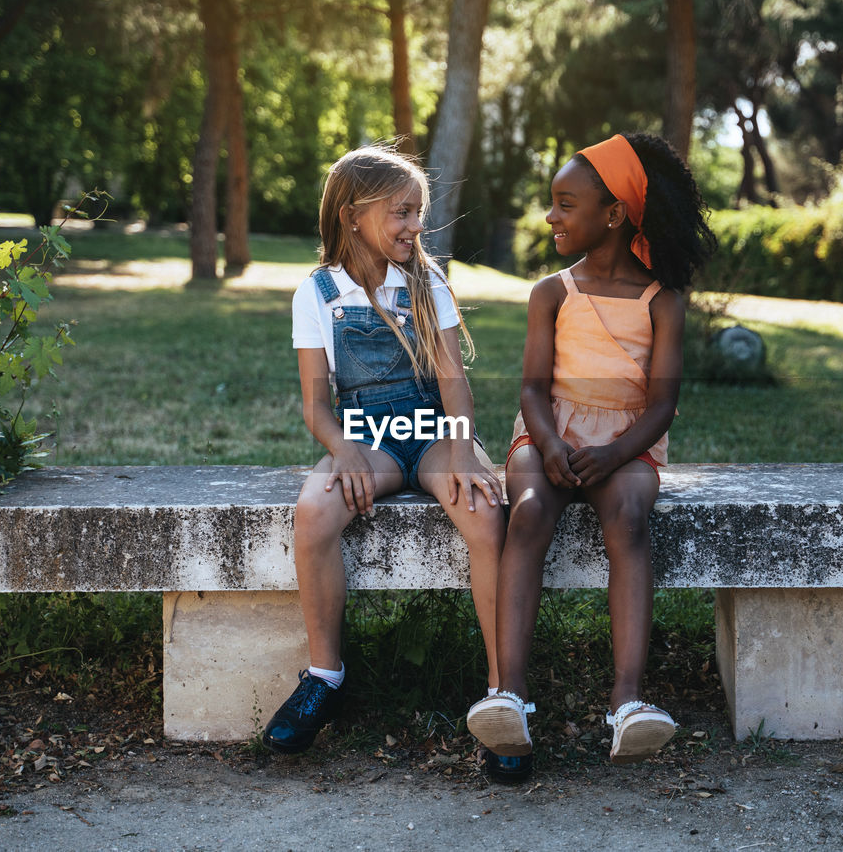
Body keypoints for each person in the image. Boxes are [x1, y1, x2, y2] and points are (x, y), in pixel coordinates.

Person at [466, 133, 715, 779]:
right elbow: (530, 387)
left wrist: (612, 454)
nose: (550, 216)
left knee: (629, 518)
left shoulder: (662, 301)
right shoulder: (551, 292)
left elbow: (661, 406)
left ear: (612, 215)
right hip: (548, 428)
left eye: (564, 203)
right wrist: (549, 443)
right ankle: (509, 697)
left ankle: (627, 699)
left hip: (628, 438)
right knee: (525, 512)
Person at [264, 146, 505, 761]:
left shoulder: (426, 282)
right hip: (365, 437)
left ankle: (505, 693)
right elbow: (316, 405)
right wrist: (342, 449)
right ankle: (325, 677)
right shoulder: (317, 294)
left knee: (483, 513)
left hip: (430, 428)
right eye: (401, 212)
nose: (415, 226)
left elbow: (454, 383)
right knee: (315, 509)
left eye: (418, 213)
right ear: (352, 214)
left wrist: (461, 448)